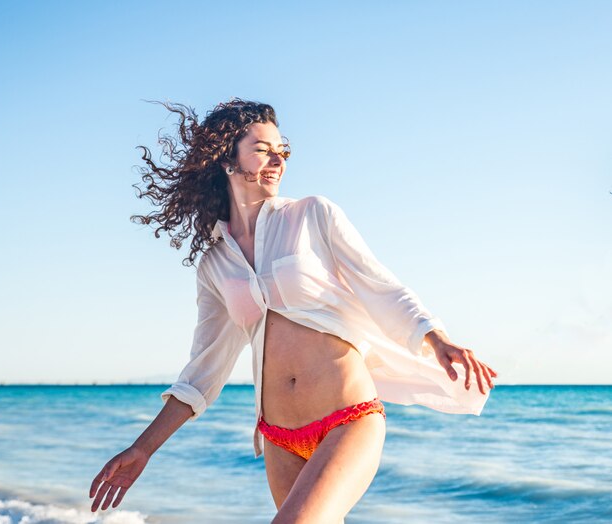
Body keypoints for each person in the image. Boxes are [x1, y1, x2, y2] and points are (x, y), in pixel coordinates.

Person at [89, 98, 498, 523]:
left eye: (282, 149)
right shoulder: (215, 264)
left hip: (347, 418)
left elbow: (381, 286)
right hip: (279, 439)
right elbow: (202, 372)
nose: (278, 158)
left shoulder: (313, 215)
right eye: (264, 148)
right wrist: (143, 448)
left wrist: (437, 338)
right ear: (227, 158)